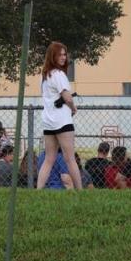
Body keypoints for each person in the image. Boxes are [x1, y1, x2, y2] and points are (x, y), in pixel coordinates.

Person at [36, 42, 82, 190]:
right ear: (52, 56)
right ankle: (81, 191)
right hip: (62, 121)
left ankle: (38, 190)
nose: (63, 57)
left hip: (48, 122)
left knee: (49, 159)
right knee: (70, 159)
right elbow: (67, 97)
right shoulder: (59, 74)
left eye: (64, 54)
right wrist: (73, 108)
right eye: (60, 54)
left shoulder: (44, 76)